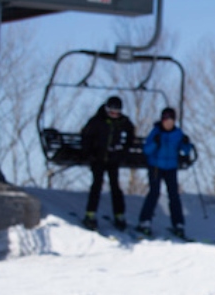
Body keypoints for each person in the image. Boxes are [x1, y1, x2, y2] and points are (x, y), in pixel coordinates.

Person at [136, 108, 193, 239]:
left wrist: (186, 143)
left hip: (171, 167)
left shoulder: (178, 133)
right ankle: (145, 220)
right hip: (156, 167)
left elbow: (185, 151)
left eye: (170, 120)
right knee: (154, 193)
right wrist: (155, 142)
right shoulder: (156, 132)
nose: (168, 123)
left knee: (174, 195)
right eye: (166, 120)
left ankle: (178, 223)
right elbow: (147, 150)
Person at [80, 95, 135, 231]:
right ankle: (90, 213)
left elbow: (130, 132)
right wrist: (90, 153)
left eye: (117, 112)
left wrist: (124, 148)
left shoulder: (122, 121)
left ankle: (119, 214)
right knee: (97, 185)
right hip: (98, 158)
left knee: (115, 186)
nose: (114, 115)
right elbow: (86, 136)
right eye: (112, 112)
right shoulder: (97, 120)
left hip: (113, 158)